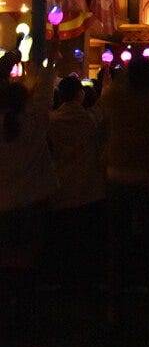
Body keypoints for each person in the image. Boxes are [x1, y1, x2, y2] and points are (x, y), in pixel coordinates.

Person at [102, 56, 149, 332]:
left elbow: (105, 107)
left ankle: (115, 309)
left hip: (117, 174)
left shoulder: (115, 99)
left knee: (118, 244)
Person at [0, 50, 57, 332]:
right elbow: (45, 97)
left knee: (6, 257)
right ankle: (24, 313)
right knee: (28, 259)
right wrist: (51, 63)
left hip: (4, 204)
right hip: (33, 201)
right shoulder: (34, 124)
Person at [47, 73, 105, 288]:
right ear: (80, 94)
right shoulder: (91, 119)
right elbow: (102, 105)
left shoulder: (51, 120)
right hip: (90, 187)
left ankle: (64, 279)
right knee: (86, 239)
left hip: (61, 185)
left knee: (65, 239)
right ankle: (87, 280)